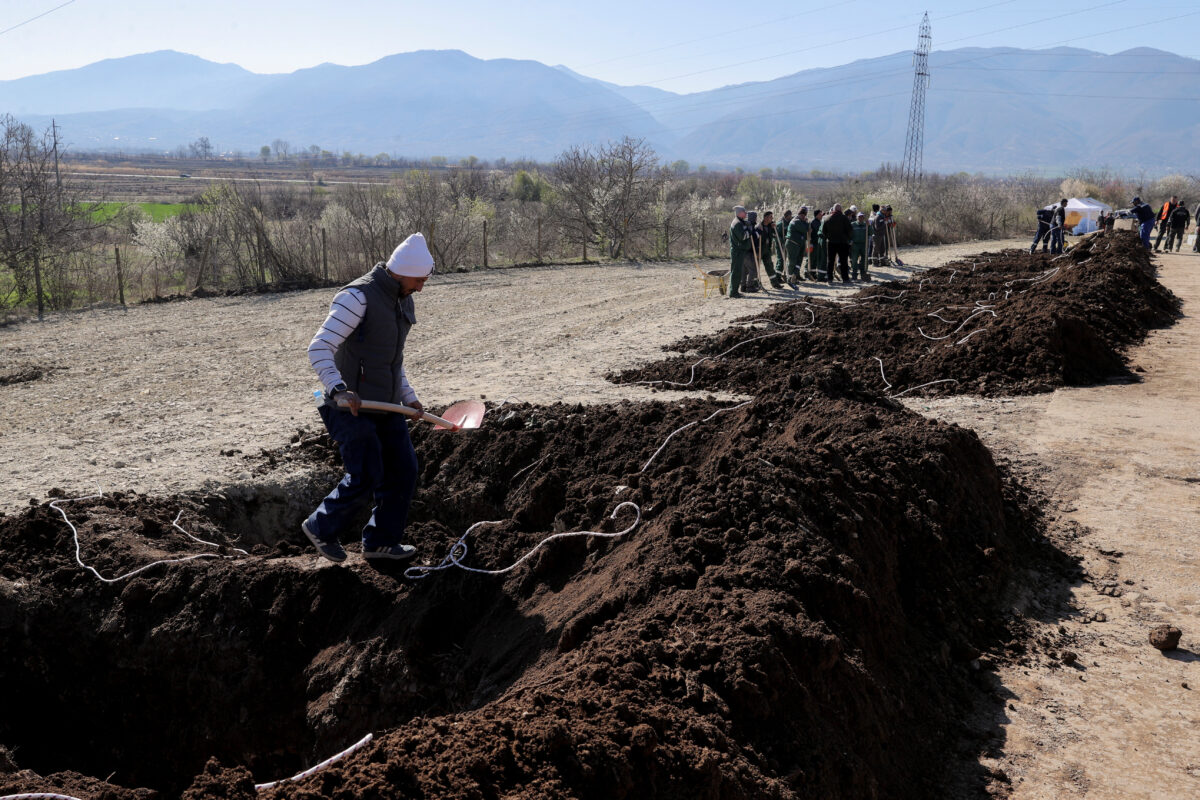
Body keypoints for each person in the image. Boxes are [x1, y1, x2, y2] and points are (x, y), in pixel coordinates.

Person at [303, 232, 434, 563]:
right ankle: (320, 526)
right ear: (402, 271)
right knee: (367, 471)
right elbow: (319, 348)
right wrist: (339, 389)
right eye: (419, 280)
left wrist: (409, 397)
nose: (421, 287)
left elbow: (390, 361)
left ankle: (380, 543)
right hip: (347, 405)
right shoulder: (357, 297)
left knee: (403, 469)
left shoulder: (402, 299)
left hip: (385, 403)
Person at [822, 202, 853, 283]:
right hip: (842, 242)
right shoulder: (844, 218)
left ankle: (829, 278)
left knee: (830, 261)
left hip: (831, 242)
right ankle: (845, 278)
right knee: (843, 261)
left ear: (833, 209)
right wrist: (848, 238)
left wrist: (828, 237)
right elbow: (850, 230)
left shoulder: (827, 218)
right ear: (841, 209)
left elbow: (823, 231)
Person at [728, 206, 752, 298]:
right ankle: (733, 292)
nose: (746, 214)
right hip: (737, 251)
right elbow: (742, 236)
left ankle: (734, 291)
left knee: (737, 271)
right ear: (739, 213)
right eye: (744, 212)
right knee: (736, 271)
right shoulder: (737, 223)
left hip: (739, 250)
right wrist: (749, 231)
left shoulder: (739, 222)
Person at [785, 207, 810, 285]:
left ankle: (794, 277)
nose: (804, 217)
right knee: (792, 262)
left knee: (798, 262)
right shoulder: (796, 221)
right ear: (799, 214)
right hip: (792, 244)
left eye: (804, 215)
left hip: (798, 244)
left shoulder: (800, 221)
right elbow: (805, 229)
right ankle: (788, 278)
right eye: (802, 215)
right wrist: (807, 223)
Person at [743, 210, 764, 292]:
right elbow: (754, 236)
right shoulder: (750, 225)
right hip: (749, 250)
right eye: (755, 217)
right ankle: (749, 286)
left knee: (744, 270)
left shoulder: (746, 225)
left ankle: (743, 286)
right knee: (753, 269)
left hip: (745, 250)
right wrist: (760, 231)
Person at [851, 212, 869, 280]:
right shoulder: (853, 225)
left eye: (862, 217)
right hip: (855, 245)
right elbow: (849, 233)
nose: (861, 218)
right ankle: (854, 274)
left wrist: (869, 226)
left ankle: (863, 272)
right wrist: (850, 241)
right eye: (859, 217)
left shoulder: (866, 225)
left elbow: (871, 232)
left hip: (864, 244)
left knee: (864, 259)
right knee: (854, 259)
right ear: (857, 217)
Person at [809, 208, 825, 280]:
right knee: (813, 259)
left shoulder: (819, 222)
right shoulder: (814, 222)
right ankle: (811, 274)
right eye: (820, 214)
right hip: (813, 243)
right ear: (817, 215)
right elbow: (817, 232)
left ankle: (814, 273)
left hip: (817, 243)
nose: (821, 215)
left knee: (816, 259)